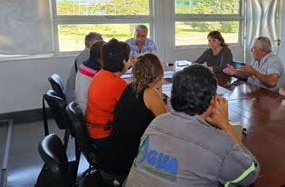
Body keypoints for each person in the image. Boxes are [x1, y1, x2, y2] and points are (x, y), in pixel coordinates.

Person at [124, 65, 260, 186]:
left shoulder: (157, 122)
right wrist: (226, 126)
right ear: (213, 99)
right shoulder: (219, 142)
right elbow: (251, 173)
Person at [99, 53, 167, 186]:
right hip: (120, 172)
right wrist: (158, 87)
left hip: (108, 161)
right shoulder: (150, 94)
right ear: (158, 74)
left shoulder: (130, 87)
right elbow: (167, 127)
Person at [85, 38, 130, 151]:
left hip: (93, 133)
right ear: (124, 62)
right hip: (104, 138)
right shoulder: (118, 83)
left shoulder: (100, 74)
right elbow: (134, 107)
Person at [65, 32, 103, 102]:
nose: (101, 46)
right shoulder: (88, 56)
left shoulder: (85, 53)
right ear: (91, 43)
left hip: (75, 91)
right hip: (75, 97)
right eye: (100, 42)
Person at [74, 40, 105, 113]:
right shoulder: (97, 72)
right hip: (88, 111)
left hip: (80, 106)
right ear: (103, 56)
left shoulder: (84, 64)